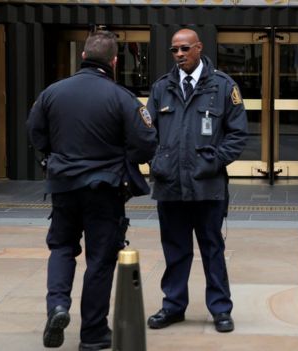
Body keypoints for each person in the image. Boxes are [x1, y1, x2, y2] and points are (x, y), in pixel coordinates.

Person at [26, 30, 157, 350]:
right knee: (100, 260)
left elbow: (35, 132)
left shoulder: (52, 92)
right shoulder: (121, 97)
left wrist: (52, 159)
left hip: (64, 187)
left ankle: (57, 306)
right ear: (114, 61)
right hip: (105, 190)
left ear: (83, 56)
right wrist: (124, 160)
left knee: (61, 248)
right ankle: (94, 333)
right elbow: (146, 143)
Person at [146, 28, 247, 333]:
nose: (179, 55)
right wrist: (157, 161)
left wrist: (212, 161)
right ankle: (173, 306)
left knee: (212, 248)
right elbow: (147, 132)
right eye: (174, 50)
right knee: (175, 250)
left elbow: (238, 134)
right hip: (170, 186)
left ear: (199, 48)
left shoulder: (223, 86)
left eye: (185, 49)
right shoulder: (162, 88)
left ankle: (220, 309)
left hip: (208, 186)